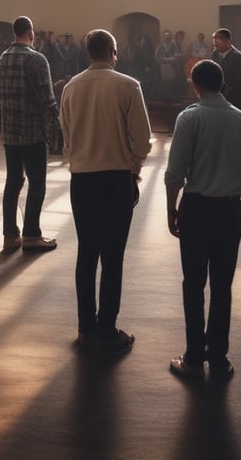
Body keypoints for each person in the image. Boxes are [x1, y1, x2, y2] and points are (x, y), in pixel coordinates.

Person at [165, 60, 241, 381]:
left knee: (193, 283)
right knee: (222, 285)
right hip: (229, 210)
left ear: (196, 86)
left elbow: (175, 173)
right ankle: (218, 357)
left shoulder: (189, 118)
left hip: (196, 209)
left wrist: (171, 209)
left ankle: (193, 356)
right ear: (222, 85)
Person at [60, 29, 152, 355]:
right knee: (113, 257)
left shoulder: (71, 87)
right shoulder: (128, 85)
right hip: (115, 179)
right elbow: (142, 139)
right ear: (114, 52)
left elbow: (66, 136)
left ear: (88, 52)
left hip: (82, 180)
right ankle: (107, 327)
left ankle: (85, 327)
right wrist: (134, 171)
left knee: (86, 253)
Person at [0, 16, 60, 252]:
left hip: (9, 131)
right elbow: (47, 97)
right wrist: (56, 120)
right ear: (31, 33)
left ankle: (10, 235)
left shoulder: (2, 59)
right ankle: (32, 234)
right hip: (32, 131)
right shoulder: (36, 59)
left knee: (13, 182)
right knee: (37, 182)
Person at [211, 28, 241, 110]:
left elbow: (240, 83)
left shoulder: (237, 57)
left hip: (231, 100)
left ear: (228, 41)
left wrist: (226, 96)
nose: (215, 41)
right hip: (216, 97)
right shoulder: (215, 54)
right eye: (214, 38)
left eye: (218, 38)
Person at [155, 30, 182, 100]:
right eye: (166, 37)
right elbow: (157, 56)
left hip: (172, 66)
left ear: (171, 37)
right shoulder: (160, 45)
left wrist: (174, 58)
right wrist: (163, 59)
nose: (167, 39)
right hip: (163, 66)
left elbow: (178, 54)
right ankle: (164, 97)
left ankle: (172, 97)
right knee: (164, 82)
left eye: (169, 37)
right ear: (163, 37)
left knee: (172, 81)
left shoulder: (174, 44)